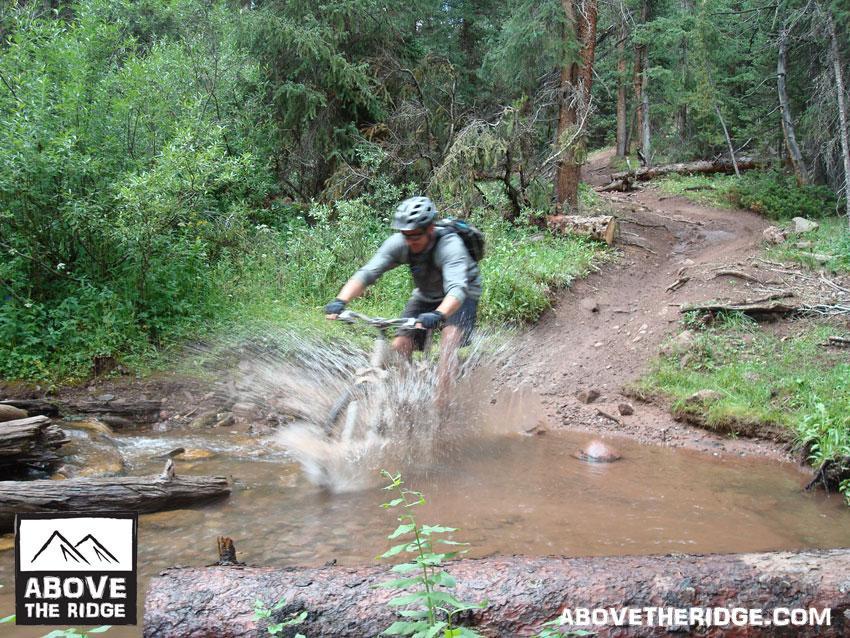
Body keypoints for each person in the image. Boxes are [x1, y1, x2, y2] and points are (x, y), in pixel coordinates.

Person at [324, 196, 482, 405]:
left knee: (449, 340)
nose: (410, 241)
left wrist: (439, 314)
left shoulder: (450, 247)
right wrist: (340, 301)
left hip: (462, 294)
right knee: (399, 346)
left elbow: (457, 290)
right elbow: (368, 273)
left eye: (415, 235)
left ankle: (442, 406)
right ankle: (406, 398)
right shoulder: (400, 243)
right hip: (425, 294)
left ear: (430, 229)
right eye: (405, 235)